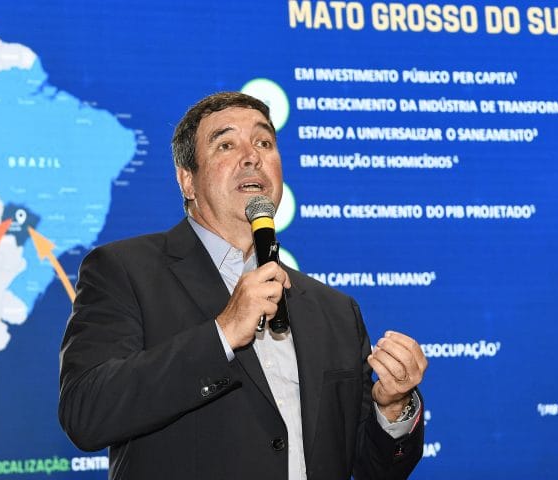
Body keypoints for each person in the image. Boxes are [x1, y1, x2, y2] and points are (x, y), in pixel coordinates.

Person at [58, 92, 427, 480]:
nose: (252, 157)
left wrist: (392, 408)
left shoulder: (334, 310)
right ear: (187, 180)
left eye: (264, 142)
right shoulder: (124, 270)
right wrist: (222, 333)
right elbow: (86, 412)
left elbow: (372, 469)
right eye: (226, 144)